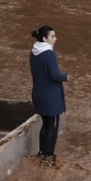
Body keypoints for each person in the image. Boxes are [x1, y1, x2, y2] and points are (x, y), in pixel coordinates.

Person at [30, 25, 68, 167]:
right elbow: (55, 75)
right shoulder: (49, 54)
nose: (55, 39)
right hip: (50, 97)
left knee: (45, 125)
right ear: (45, 38)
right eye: (52, 36)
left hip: (38, 94)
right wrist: (66, 77)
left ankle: (42, 152)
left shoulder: (34, 52)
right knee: (52, 126)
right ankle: (49, 157)